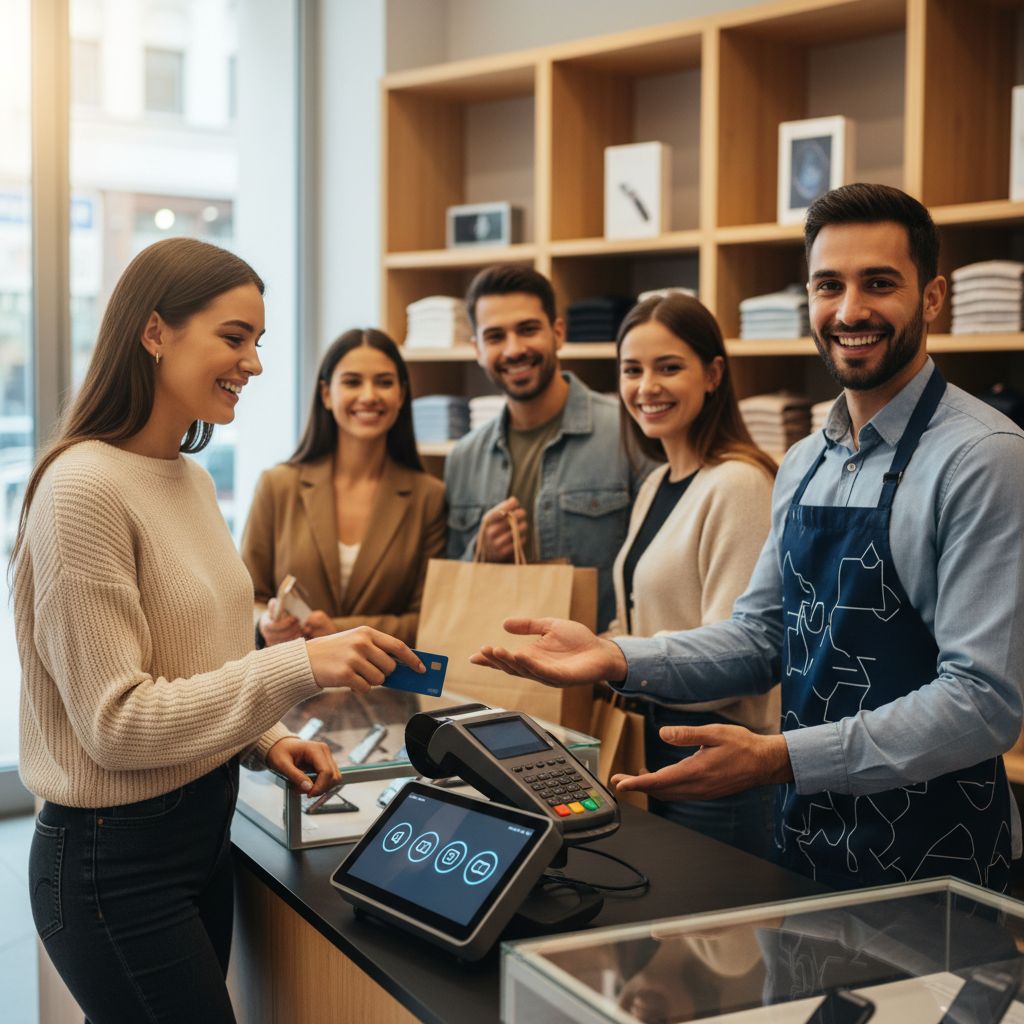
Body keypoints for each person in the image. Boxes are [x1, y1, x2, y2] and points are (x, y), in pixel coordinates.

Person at [472, 183, 1024, 892]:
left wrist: (779, 758)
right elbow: (762, 639)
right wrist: (614, 656)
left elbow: (982, 703)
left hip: (938, 861)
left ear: (934, 297)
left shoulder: (985, 457)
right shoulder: (804, 460)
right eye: (830, 286)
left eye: (879, 283)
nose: (851, 310)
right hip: (807, 838)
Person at [15, 238, 424, 1023]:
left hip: (201, 834)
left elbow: (199, 663)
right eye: (234, 338)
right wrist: (300, 665)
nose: (255, 364)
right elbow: (116, 725)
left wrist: (265, 741)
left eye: (258, 343)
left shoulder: (193, 478)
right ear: (155, 331)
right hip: (112, 864)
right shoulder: (81, 489)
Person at [608, 292, 779, 857]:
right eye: (632, 370)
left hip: (715, 758)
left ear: (713, 374)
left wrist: (615, 657)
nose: (646, 387)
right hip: (649, 745)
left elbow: (741, 651)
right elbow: (656, 611)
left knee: (720, 941)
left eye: (668, 367)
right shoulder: (657, 481)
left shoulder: (738, 484)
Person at [445, 264, 648, 630]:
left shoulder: (628, 431)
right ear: (476, 349)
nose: (513, 349)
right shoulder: (463, 457)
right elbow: (451, 588)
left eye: (527, 330)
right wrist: (481, 553)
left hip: (602, 672)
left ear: (557, 332)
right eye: (495, 337)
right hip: (496, 669)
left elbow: (657, 571)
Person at [241, 328, 446, 647]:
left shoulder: (429, 497)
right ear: (326, 393)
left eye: (384, 382)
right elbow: (246, 599)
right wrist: (265, 625)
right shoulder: (277, 486)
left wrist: (339, 630)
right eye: (352, 382)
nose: (369, 396)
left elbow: (429, 620)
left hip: (387, 690)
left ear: (401, 395)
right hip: (293, 686)